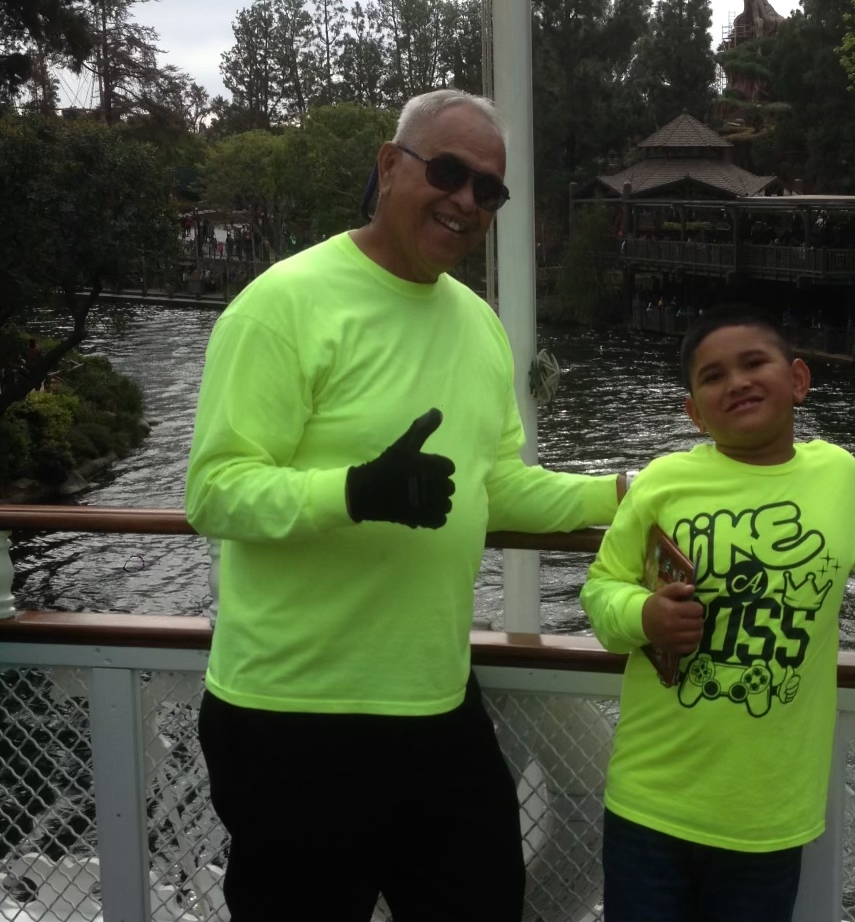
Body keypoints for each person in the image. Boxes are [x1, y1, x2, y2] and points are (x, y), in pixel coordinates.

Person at [185, 88, 627, 922]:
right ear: (390, 166)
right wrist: (357, 491)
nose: (466, 200)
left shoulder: (480, 325)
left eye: (488, 189)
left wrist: (627, 493)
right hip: (292, 719)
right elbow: (213, 491)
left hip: (436, 706)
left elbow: (497, 486)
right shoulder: (284, 303)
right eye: (448, 172)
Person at [580, 307, 855, 922]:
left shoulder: (837, 474)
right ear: (694, 411)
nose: (737, 382)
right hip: (650, 801)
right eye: (713, 376)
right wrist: (643, 615)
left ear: (798, 379)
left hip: (768, 812)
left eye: (754, 363)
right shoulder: (664, 481)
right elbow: (601, 588)